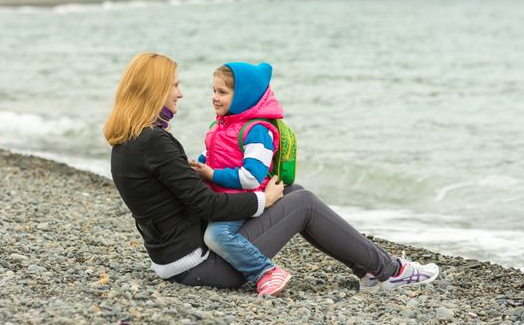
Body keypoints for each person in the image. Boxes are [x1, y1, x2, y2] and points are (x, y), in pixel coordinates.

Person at [104, 52, 439, 297]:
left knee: (293, 191)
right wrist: (261, 199)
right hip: (198, 266)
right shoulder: (155, 143)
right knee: (302, 201)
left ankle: (370, 270)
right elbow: (205, 205)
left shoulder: (129, 142)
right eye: (175, 85)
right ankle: (390, 271)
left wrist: (248, 190)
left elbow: (190, 201)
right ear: (154, 89)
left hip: (178, 257)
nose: (181, 93)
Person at [190, 62, 291, 296]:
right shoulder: (221, 125)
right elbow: (212, 156)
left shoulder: (258, 130)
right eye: (214, 91)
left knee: (215, 235)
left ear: (243, 96)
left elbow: (251, 177)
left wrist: (211, 175)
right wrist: (198, 165)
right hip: (222, 197)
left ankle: (265, 271)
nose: (215, 98)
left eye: (222, 92)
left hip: (245, 199)